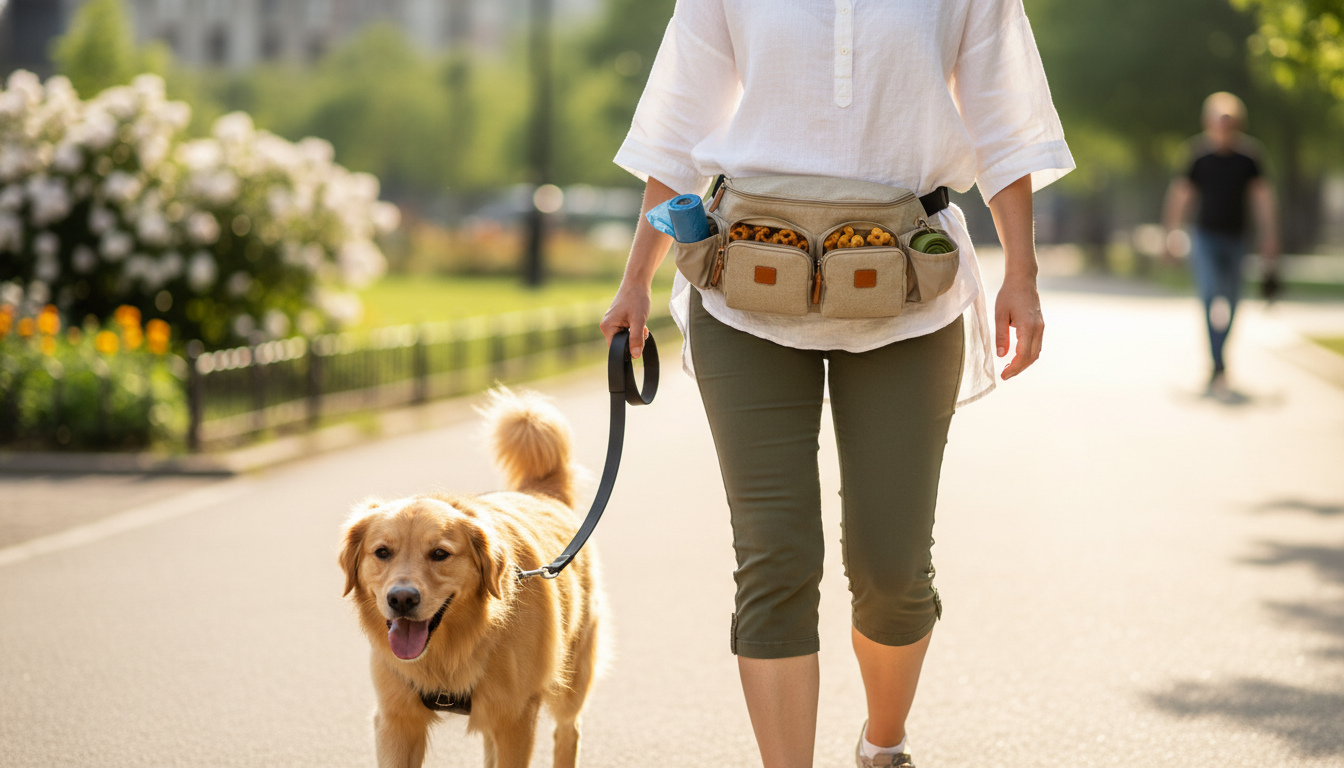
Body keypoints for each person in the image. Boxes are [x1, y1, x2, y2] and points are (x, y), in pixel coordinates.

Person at [600, 2, 1073, 766]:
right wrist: (635, 284)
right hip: (746, 285)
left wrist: (1023, 271)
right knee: (774, 559)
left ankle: (884, 744)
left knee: (891, 571)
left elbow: (1004, 121)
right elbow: (676, 131)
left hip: (908, 291)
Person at [1162, 91, 1280, 397]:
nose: (1224, 127)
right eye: (1219, 121)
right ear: (1209, 122)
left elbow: (1262, 198)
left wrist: (1270, 236)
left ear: (1238, 123)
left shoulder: (1250, 157)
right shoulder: (1198, 155)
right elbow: (1181, 195)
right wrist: (1170, 234)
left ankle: (1218, 362)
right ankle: (1218, 367)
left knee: (1232, 302)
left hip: (1237, 238)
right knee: (1210, 296)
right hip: (1205, 238)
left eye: (1230, 122)